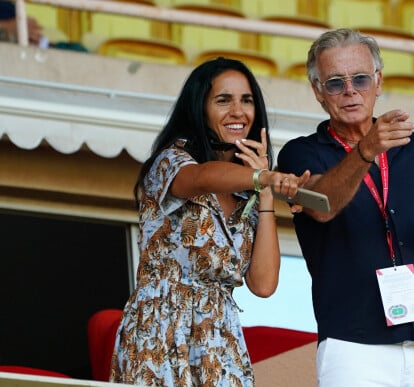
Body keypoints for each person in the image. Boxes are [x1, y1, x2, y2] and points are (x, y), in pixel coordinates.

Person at [277, 28, 414, 387]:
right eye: (336, 83)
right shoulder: (299, 152)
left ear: (379, 81)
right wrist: (366, 151)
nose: (351, 90)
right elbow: (321, 206)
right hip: (353, 345)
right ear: (318, 92)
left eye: (360, 79)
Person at [109, 57, 309, 387]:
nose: (238, 111)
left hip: (220, 339)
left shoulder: (250, 193)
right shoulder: (172, 161)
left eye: (246, 100)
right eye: (223, 100)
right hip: (162, 330)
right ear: (199, 109)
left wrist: (267, 195)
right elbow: (202, 178)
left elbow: (263, 284)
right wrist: (264, 176)